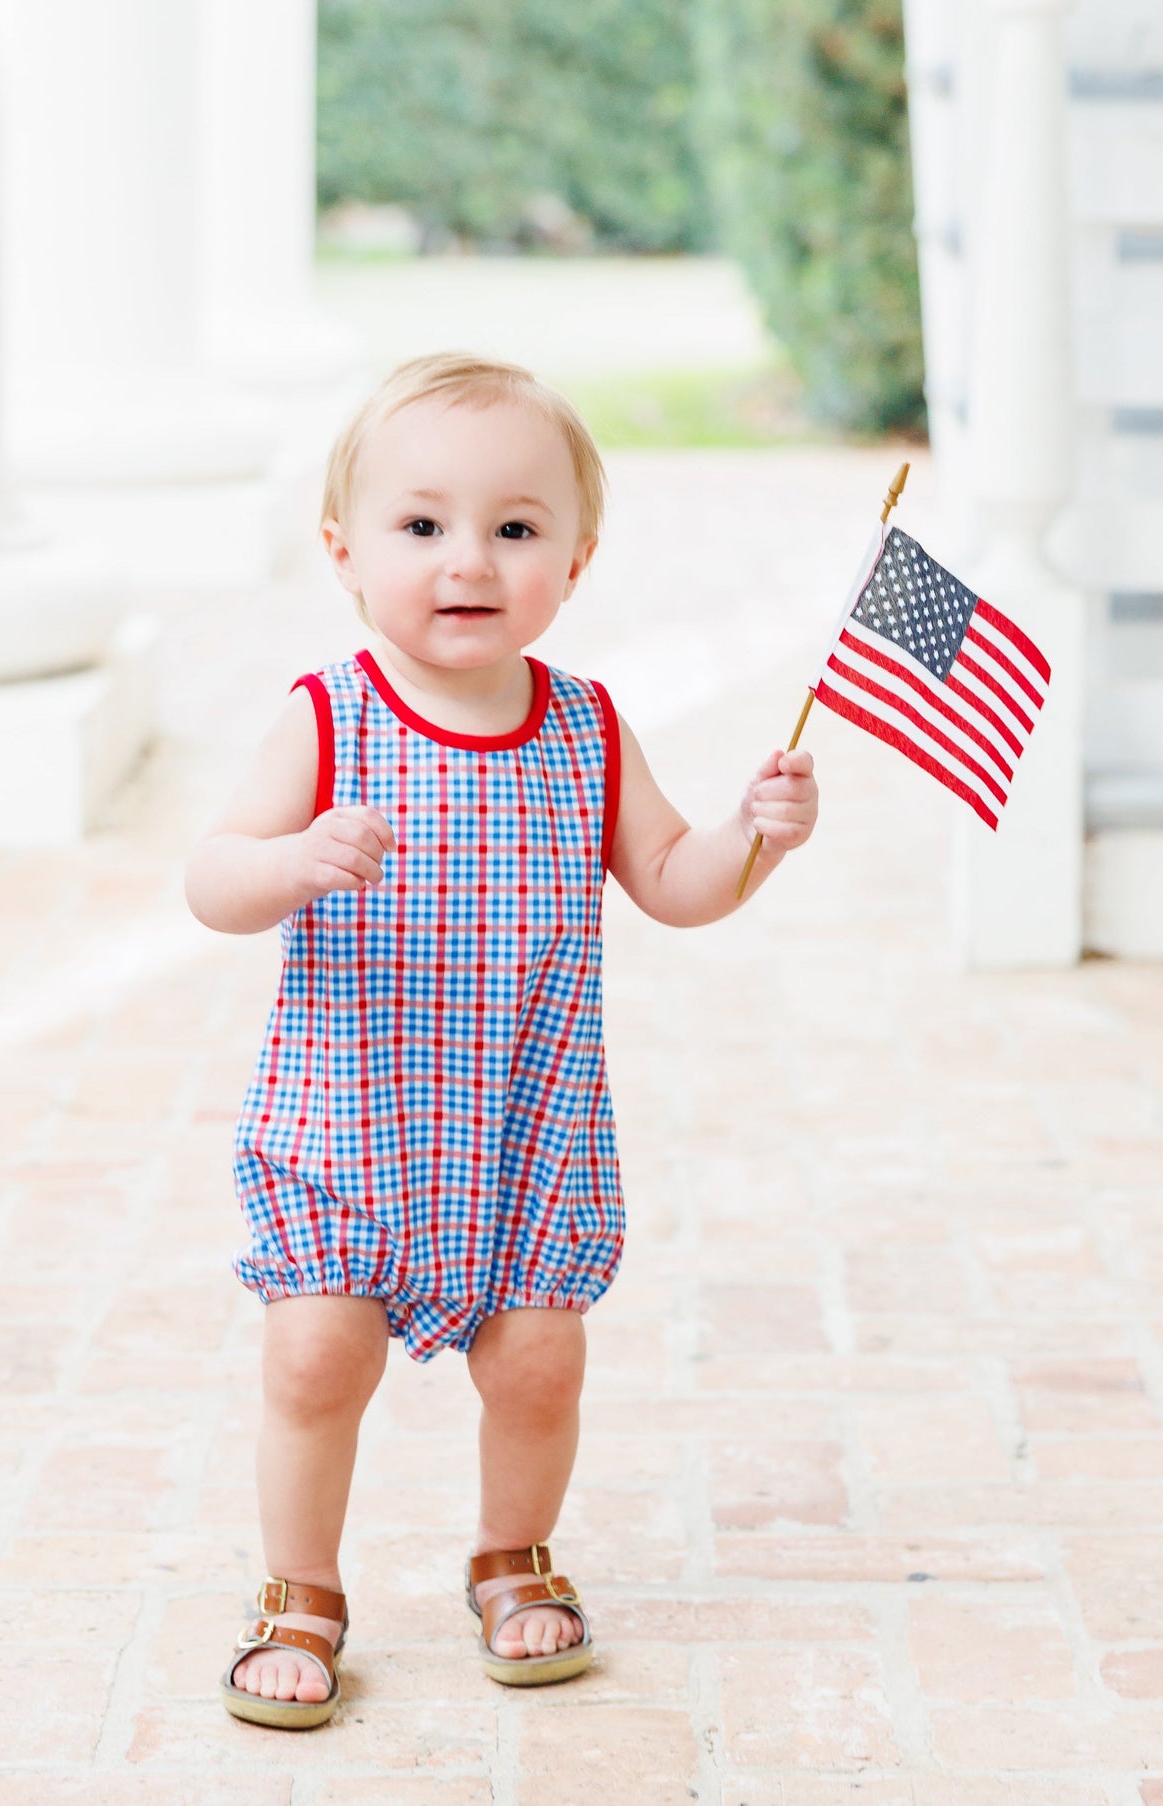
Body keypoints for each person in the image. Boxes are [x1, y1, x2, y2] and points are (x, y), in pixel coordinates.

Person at [184, 352, 818, 1729]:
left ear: (574, 562)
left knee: (538, 1361)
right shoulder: (330, 714)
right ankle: (299, 1584)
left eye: (514, 528)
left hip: (527, 1121)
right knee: (314, 1356)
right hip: (355, 1118)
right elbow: (210, 880)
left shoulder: (583, 726)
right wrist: (291, 856)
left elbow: (672, 880)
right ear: (345, 550)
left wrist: (748, 839)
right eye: (422, 526)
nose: (467, 559)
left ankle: (511, 1555)